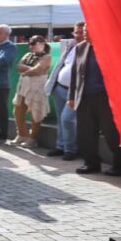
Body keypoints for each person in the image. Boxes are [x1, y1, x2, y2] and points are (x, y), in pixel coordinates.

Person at [68, 27, 121, 176]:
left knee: (111, 133)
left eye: (88, 29)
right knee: (86, 133)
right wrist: (71, 96)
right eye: (83, 30)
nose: (84, 32)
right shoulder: (81, 47)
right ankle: (91, 163)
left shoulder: (111, 47)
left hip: (106, 97)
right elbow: (74, 74)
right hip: (84, 97)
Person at [44, 22, 84, 160]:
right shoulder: (71, 45)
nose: (77, 35)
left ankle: (71, 149)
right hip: (60, 87)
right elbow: (61, 64)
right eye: (75, 32)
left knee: (67, 119)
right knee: (60, 119)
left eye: (80, 32)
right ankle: (61, 146)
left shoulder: (90, 48)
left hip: (75, 91)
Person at [11, 35, 51, 147]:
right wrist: (32, 70)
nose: (31, 46)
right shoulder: (28, 55)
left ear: (42, 43)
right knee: (18, 110)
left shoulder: (47, 57)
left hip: (38, 87)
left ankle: (33, 138)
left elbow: (38, 70)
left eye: (34, 43)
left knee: (36, 112)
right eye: (30, 43)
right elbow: (19, 66)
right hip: (24, 86)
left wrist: (28, 71)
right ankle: (21, 135)